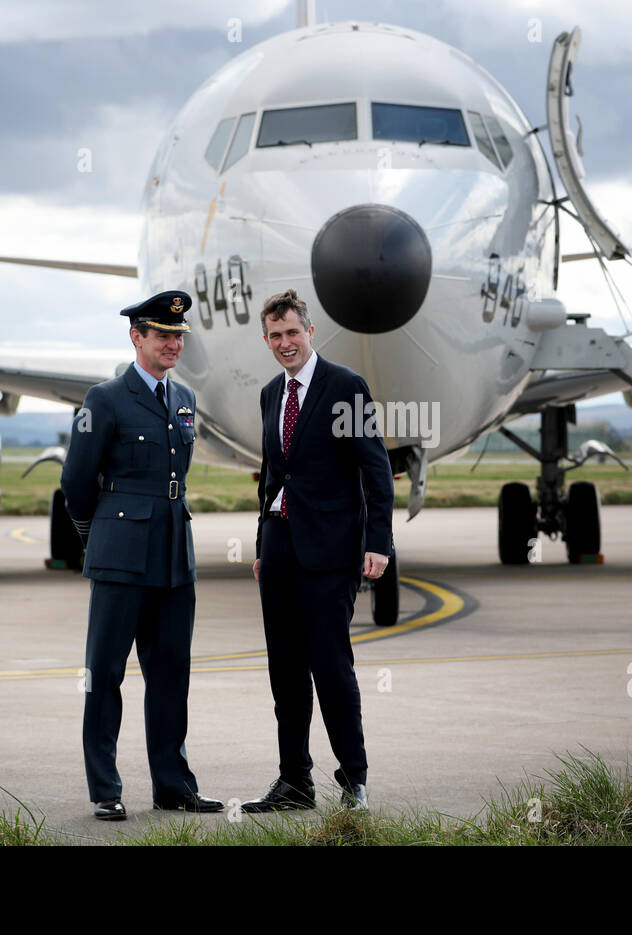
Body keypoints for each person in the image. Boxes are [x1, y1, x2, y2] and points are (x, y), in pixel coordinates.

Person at [60, 289, 222, 820]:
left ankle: (173, 785)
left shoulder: (184, 399)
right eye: (163, 335)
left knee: (172, 673)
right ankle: (105, 789)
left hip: (174, 552)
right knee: (106, 673)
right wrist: (99, 536)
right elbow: (76, 481)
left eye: (178, 336)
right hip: (121, 554)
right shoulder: (104, 398)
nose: (173, 344)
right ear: (137, 337)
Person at [242, 289, 395, 813]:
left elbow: (376, 470)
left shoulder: (346, 386)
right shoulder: (269, 394)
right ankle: (294, 782)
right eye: (275, 335)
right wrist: (263, 545)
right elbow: (270, 479)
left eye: (292, 332)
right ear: (266, 340)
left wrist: (378, 542)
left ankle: (354, 780)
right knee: (284, 671)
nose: (285, 343)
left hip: (331, 552)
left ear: (311, 332)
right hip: (280, 548)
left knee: (331, 667)